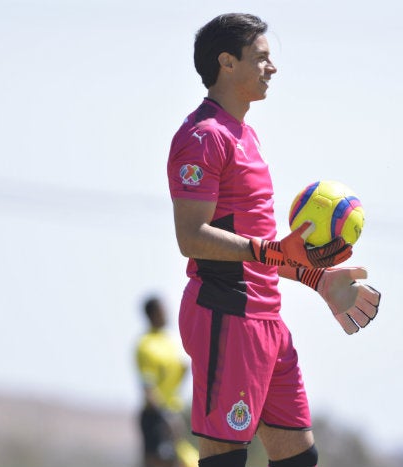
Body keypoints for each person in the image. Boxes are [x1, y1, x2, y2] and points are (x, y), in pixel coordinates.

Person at [166, 13, 381, 467]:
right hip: (225, 313)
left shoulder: (247, 136)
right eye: (261, 57)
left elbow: (265, 247)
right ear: (226, 62)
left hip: (266, 321)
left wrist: (318, 280)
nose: (273, 67)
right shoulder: (203, 137)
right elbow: (191, 237)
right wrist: (268, 252)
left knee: (299, 458)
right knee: (225, 460)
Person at [135, 296, 199, 467]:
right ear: (154, 314)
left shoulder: (170, 341)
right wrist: (164, 416)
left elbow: (181, 372)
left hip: (173, 412)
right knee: (158, 462)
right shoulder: (145, 345)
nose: (167, 314)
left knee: (179, 461)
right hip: (155, 416)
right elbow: (148, 387)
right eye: (163, 310)